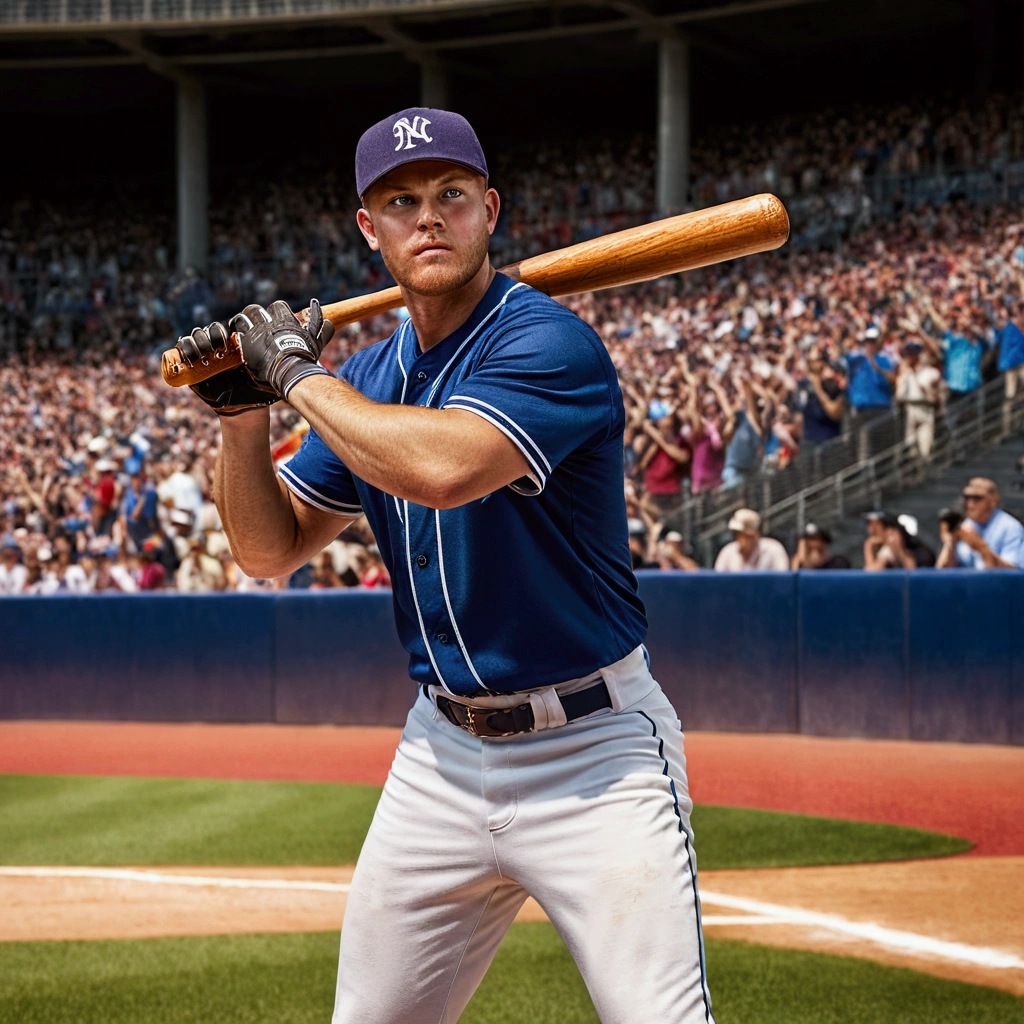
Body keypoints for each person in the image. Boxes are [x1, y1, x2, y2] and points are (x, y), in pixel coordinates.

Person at [178, 108, 715, 1024]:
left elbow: (443, 469)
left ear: (489, 209)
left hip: (595, 751)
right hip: (440, 753)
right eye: (401, 201)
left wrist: (297, 377)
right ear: (369, 229)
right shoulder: (375, 377)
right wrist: (242, 416)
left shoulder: (548, 342)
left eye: (450, 195)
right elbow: (270, 550)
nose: (428, 217)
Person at [937, 477, 1024, 569]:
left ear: (993, 501)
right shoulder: (965, 525)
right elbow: (942, 571)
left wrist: (981, 548)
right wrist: (950, 543)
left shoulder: (1010, 528)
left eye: (977, 498)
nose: (970, 504)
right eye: (967, 498)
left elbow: (1013, 573)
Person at [895, 340, 942, 459]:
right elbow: (899, 396)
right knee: (911, 448)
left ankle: (926, 471)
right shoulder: (906, 373)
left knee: (926, 447)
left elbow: (936, 395)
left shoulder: (931, 372)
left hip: (925, 409)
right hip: (911, 409)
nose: (911, 357)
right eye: (909, 354)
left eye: (914, 353)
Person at [845, 327, 896, 424]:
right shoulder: (856, 359)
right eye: (868, 341)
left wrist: (874, 364)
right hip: (861, 408)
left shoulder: (884, 360)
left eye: (873, 341)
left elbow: (892, 379)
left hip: (881, 407)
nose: (870, 344)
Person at [713, 508, 789, 571]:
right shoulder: (727, 552)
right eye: (736, 534)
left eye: (743, 535)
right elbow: (718, 584)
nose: (740, 538)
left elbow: (782, 583)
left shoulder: (774, 550)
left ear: (755, 535)